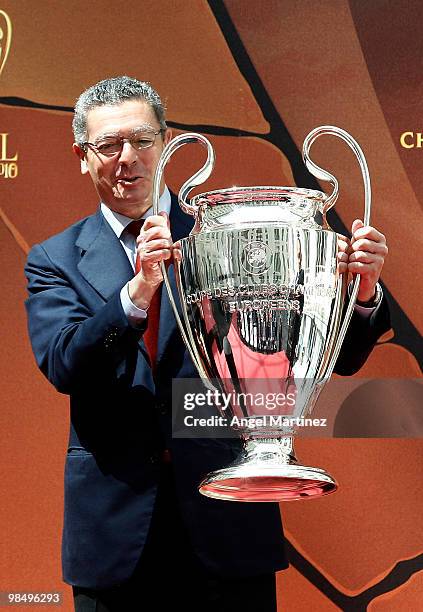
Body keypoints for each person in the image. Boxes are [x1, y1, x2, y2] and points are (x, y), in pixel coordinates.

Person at [24, 76, 390, 612]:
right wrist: (135, 292)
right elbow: (65, 365)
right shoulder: (55, 259)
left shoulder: (233, 231)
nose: (127, 159)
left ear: (166, 142)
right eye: (107, 146)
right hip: (114, 532)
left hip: (228, 519)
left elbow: (335, 356)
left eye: (142, 141)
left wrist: (362, 291)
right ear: (82, 157)